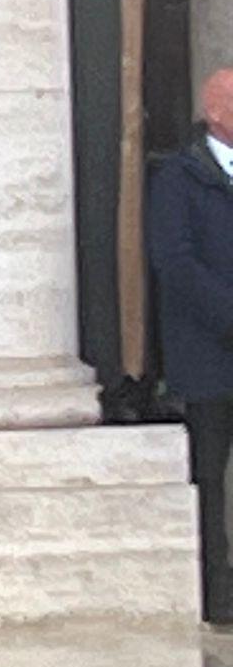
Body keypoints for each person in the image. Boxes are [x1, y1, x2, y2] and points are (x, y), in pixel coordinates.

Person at [148, 67, 233, 624]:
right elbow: (175, 263)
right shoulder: (180, 178)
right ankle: (218, 595)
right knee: (210, 477)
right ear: (217, 111)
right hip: (209, 358)